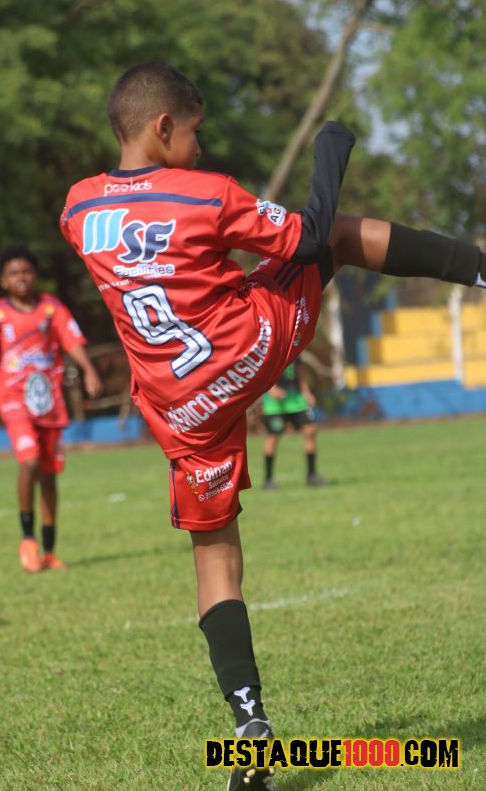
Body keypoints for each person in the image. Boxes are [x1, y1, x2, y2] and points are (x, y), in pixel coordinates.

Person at [59, 61, 486, 789]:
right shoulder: (204, 192)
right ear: (163, 126)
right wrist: (332, 145)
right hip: (242, 348)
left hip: (178, 406)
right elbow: (310, 238)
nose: (199, 146)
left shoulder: (76, 209)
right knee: (340, 237)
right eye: (193, 132)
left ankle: (249, 723)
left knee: (213, 556)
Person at [0, 245, 102, 574]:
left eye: (26, 272)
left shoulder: (50, 308)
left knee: (48, 475)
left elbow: (71, 339)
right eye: (13, 273)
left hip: (47, 400)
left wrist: (88, 369)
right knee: (29, 461)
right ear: (3, 280)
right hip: (13, 398)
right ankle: (27, 540)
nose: (21, 278)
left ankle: (49, 551)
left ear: (35, 275)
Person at [261, 358, 328, 489]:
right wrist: (272, 389)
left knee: (310, 430)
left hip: (296, 401)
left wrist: (307, 393)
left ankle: (312, 475)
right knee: (273, 437)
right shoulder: (269, 351)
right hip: (275, 404)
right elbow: (261, 372)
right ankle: (268, 480)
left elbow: (300, 374)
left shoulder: (294, 351)